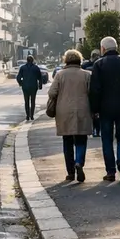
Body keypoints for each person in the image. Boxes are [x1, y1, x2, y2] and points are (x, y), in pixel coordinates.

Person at [88, 36, 120, 182]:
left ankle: (110, 172)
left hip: (105, 109)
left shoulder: (99, 65)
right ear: (116, 47)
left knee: (107, 139)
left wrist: (94, 109)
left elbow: (95, 89)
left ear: (103, 49)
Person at [46, 49, 92, 183]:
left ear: (66, 60)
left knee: (67, 141)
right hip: (82, 109)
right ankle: (79, 162)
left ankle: (70, 172)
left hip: (64, 111)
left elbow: (51, 93)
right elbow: (92, 93)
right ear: (79, 60)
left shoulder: (60, 75)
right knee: (81, 139)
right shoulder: (87, 75)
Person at [16, 55, 43, 121]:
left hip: (25, 86)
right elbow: (40, 77)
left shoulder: (23, 68)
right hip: (34, 86)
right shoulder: (36, 68)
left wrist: (21, 83)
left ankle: (27, 115)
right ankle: (32, 115)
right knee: (33, 101)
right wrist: (40, 85)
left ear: (27, 60)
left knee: (26, 101)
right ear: (33, 60)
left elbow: (18, 77)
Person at [83, 49, 102, 137]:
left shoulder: (85, 65)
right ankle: (96, 130)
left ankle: (94, 130)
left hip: (88, 91)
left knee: (93, 113)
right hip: (97, 91)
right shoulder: (101, 64)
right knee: (97, 114)